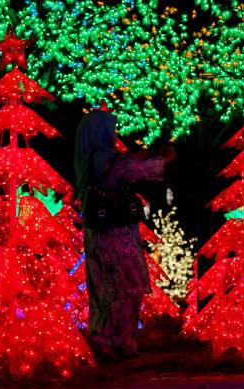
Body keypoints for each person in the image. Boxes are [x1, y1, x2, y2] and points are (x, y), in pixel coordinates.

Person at [74, 110, 175, 361]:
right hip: (114, 233)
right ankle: (110, 341)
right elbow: (131, 166)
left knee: (110, 287)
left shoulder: (90, 157)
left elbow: (126, 160)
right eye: (110, 129)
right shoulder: (101, 159)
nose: (113, 134)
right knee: (119, 285)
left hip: (104, 231)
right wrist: (161, 157)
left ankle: (115, 341)